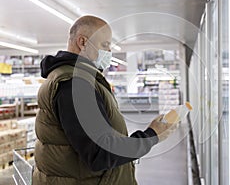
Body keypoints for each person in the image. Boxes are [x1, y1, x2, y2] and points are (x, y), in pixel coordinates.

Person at [33, 15, 176, 185]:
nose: (109, 52)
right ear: (83, 42)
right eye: (105, 45)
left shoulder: (73, 78)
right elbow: (100, 153)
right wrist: (152, 135)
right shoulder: (75, 85)